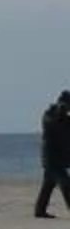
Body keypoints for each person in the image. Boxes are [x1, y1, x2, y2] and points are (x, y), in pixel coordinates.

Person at [38, 91, 70, 219]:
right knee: (66, 183)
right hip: (51, 157)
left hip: (57, 157)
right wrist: (60, 114)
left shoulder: (64, 119)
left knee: (48, 185)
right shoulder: (49, 115)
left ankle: (39, 210)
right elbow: (52, 125)